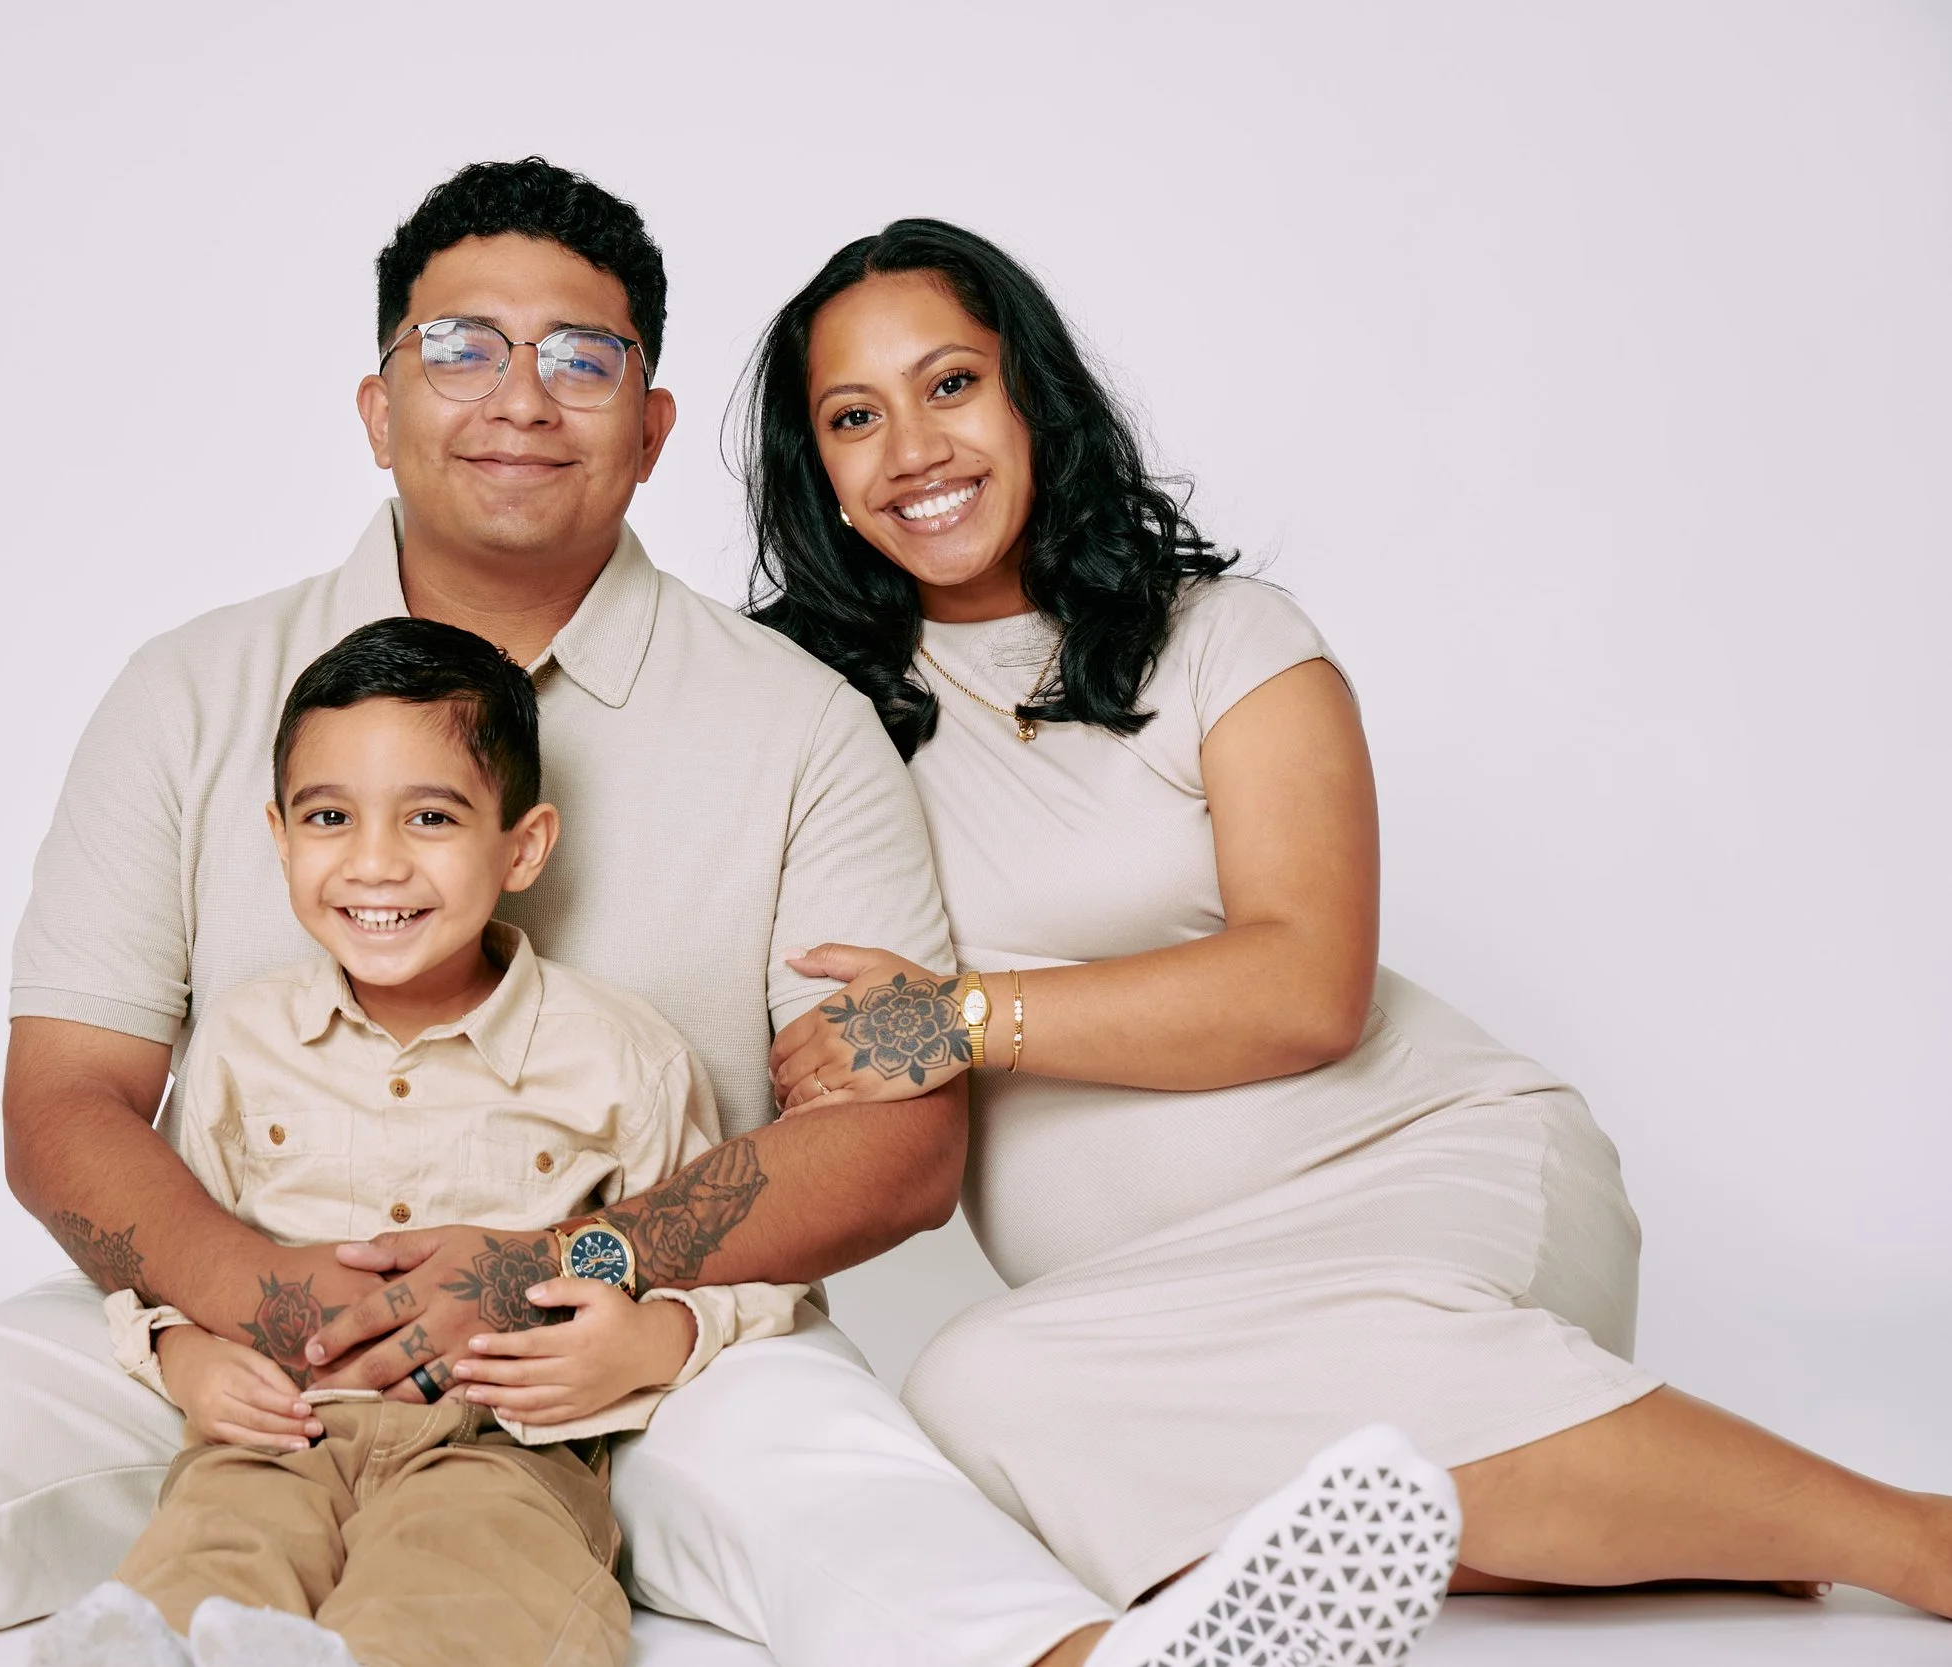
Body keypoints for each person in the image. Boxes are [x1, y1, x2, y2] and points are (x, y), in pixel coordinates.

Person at [0, 160, 1457, 1667]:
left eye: (582, 353)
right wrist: (256, 1293)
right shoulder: (191, 687)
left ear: (653, 421)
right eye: (460, 345)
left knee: (827, 1482)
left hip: (628, 1317)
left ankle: (1102, 1660)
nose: (519, 393)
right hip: (233, 1316)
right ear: (375, 400)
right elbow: (63, 1099)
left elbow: (889, 1127)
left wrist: (567, 1265)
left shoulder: (796, 720)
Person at [740, 216, 1952, 1622]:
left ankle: (1909, 1534)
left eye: (951, 383)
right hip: (1165, 1303)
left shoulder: (1228, 639)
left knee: (1382, 1360)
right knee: (970, 1387)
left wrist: (956, 1018)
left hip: (1418, 1179)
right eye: (853, 415)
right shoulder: (817, 720)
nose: (913, 448)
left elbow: (1307, 985)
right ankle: (1651, 1523)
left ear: (1033, 399)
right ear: (818, 470)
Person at [27, 616, 805, 1667]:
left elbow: (726, 1255)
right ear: (279, 836)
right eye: (330, 816)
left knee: (466, 1582)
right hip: (274, 1432)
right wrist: (184, 1351)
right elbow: (169, 1254)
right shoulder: (240, 1043)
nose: (375, 863)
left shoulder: (621, 1056)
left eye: (430, 816)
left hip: (503, 1444)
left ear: (521, 845)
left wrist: (646, 1342)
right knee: (209, 1552)